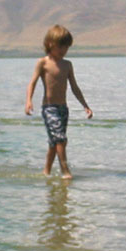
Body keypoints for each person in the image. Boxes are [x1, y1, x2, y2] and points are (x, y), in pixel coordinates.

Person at [25, 24, 93, 179]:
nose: (63, 51)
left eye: (66, 48)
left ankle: (46, 171)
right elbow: (32, 82)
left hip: (63, 108)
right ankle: (65, 171)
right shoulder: (43, 63)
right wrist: (28, 101)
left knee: (55, 143)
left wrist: (85, 105)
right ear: (50, 44)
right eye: (60, 47)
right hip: (49, 108)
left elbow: (74, 87)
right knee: (60, 139)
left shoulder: (67, 65)